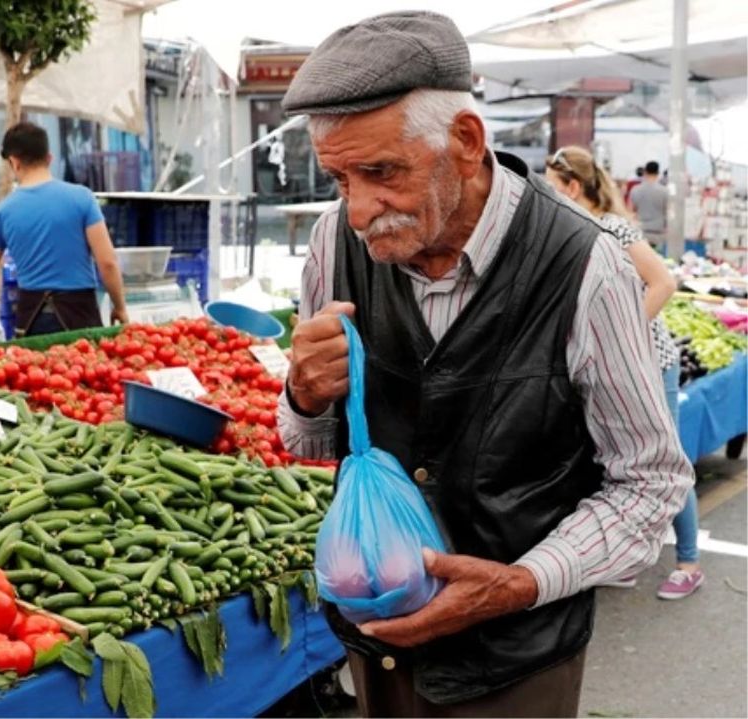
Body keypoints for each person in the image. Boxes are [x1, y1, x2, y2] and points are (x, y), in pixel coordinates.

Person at [278, 11, 693, 717]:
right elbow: (310, 442)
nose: (356, 210)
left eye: (380, 172)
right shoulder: (334, 243)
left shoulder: (584, 266)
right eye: (340, 178)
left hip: (515, 663)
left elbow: (651, 482)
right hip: (375, 645)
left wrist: (520, 582)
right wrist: (303, 393)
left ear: (466, 142)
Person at [545, 146, 702, 599]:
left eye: (554, 190)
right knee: (613, 459)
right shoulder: (571, 232)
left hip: (652, 364)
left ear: (574, 188)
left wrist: (620, 337)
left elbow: (664, 283)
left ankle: (689, 561)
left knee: (662, 461)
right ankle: (627, 557)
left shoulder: (611, 228)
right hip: (608, 369)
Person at [0, 122, 129, 336]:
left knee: (38, 369)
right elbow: (107, 262)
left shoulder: (2, 212)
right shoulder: (81, 198)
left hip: (31, 320)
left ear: (14, 163)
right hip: (80, 315)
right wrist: (119, 306)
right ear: (49, 158)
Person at [632, 160, 668, 246]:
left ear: (645, 172)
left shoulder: (635, 190)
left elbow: (631, 211)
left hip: (640, 232)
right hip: (659, 233)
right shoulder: (665, 191)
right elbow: (668, 212)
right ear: (658, 172)